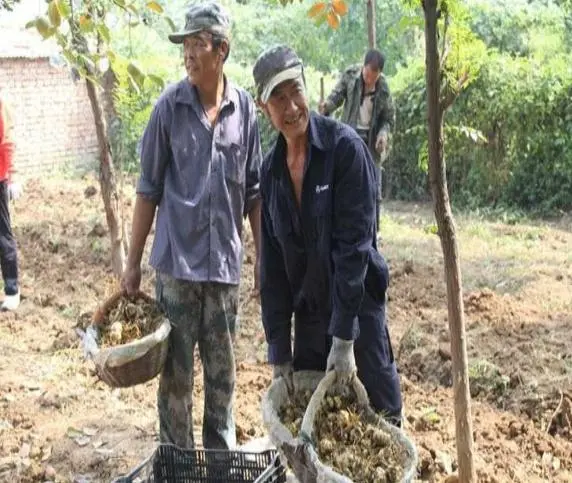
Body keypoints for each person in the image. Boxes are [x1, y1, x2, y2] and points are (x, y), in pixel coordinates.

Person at [120, 2, 262, 450]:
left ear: (221, 49)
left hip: (223, 274)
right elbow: (147, 190)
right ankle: (177, 468)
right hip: (176, 273)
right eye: (184, 45)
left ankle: (221, 470)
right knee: (176, 383)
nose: (188, 54)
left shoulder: (246, 112)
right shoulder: (169, 108)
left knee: (222, 384)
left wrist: (263, 261)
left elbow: (254, 193)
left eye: (197, 44)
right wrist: (132, 265)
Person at [253, 46, 402, 425]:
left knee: (379, 422)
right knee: (315, 429)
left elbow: (354, 250)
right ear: (263, 107)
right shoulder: (270, 174)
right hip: (309, 317)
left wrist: (344, 339)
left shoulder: (346, 150)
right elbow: (271, 270)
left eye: (296, 92)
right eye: (278, 98)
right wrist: (279, 353)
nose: (291, 108)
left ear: (307, 88)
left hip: (358, 310)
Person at [319, 49, 395, 227]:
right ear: (363, 67)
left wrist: (383, 134)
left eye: (373, 77)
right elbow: (337, 96)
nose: (369, 80)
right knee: (344, 180)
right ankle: (343, 223)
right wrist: (327, 106)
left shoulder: (383, 89)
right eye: (367, 74)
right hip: (349, 136)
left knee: (373, 185)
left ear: (379, 74)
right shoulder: (351, 76)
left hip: (371, 140)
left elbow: (388, 119)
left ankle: (374, 229)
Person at [0, 90, 22, 311]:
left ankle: (12, 290)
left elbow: (7, 142)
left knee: (2, 236)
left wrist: (12, 176)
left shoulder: (1, 104)